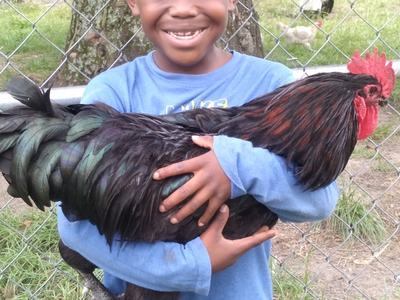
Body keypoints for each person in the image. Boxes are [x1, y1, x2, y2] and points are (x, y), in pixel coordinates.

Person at [57, 0, 339, 299]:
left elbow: (319, 200)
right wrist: (190, 266)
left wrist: (235, 166)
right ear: (133, 3)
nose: (182, 9)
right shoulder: (116, 91)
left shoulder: (271, 85)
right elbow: (73, 228)